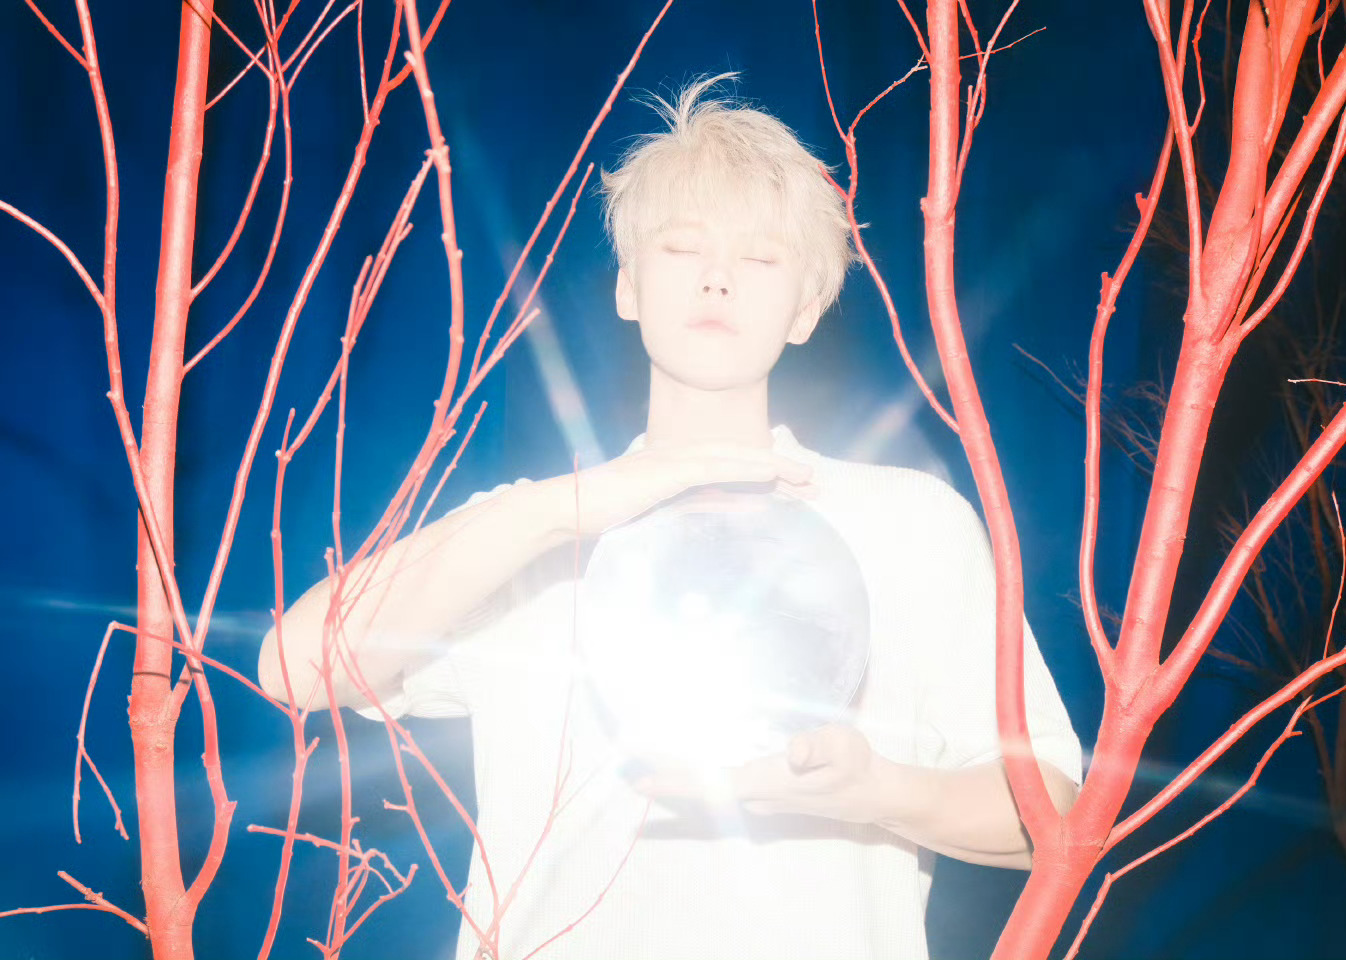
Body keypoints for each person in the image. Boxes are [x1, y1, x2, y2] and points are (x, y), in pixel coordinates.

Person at [257, 74, 1082, 960]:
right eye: (684, 248)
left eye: (761, 260)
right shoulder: (533, 529)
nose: (718, 279)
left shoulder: (909, 523)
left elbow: (1052, 814)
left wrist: (874, 791)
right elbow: (294, 668)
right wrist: (566, 510)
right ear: (628, 287)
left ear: (806, 311)